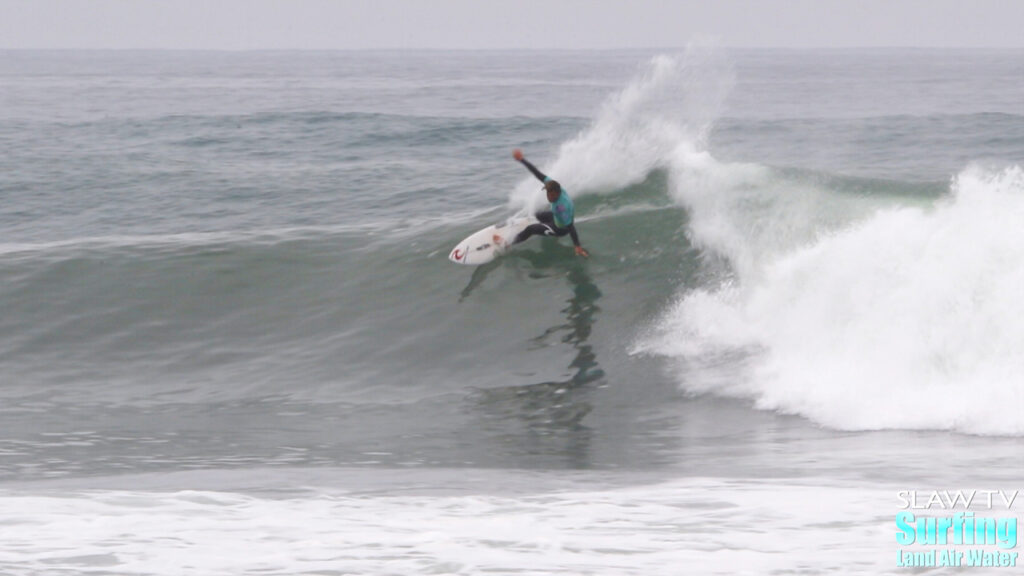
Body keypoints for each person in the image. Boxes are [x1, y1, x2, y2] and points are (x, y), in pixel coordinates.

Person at [498, 149, 589, 257]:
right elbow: (538, 174)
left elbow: (570, 227)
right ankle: (543, 227)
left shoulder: (561, 207)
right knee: (537, 213)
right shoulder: (554, 185)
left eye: (551, 195)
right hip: (556, 218)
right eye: (547, 194)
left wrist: (577, 246)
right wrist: (522, 160)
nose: (549, 197)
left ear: (557, 193)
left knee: (531, 229)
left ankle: (507, 244)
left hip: (560, 229)